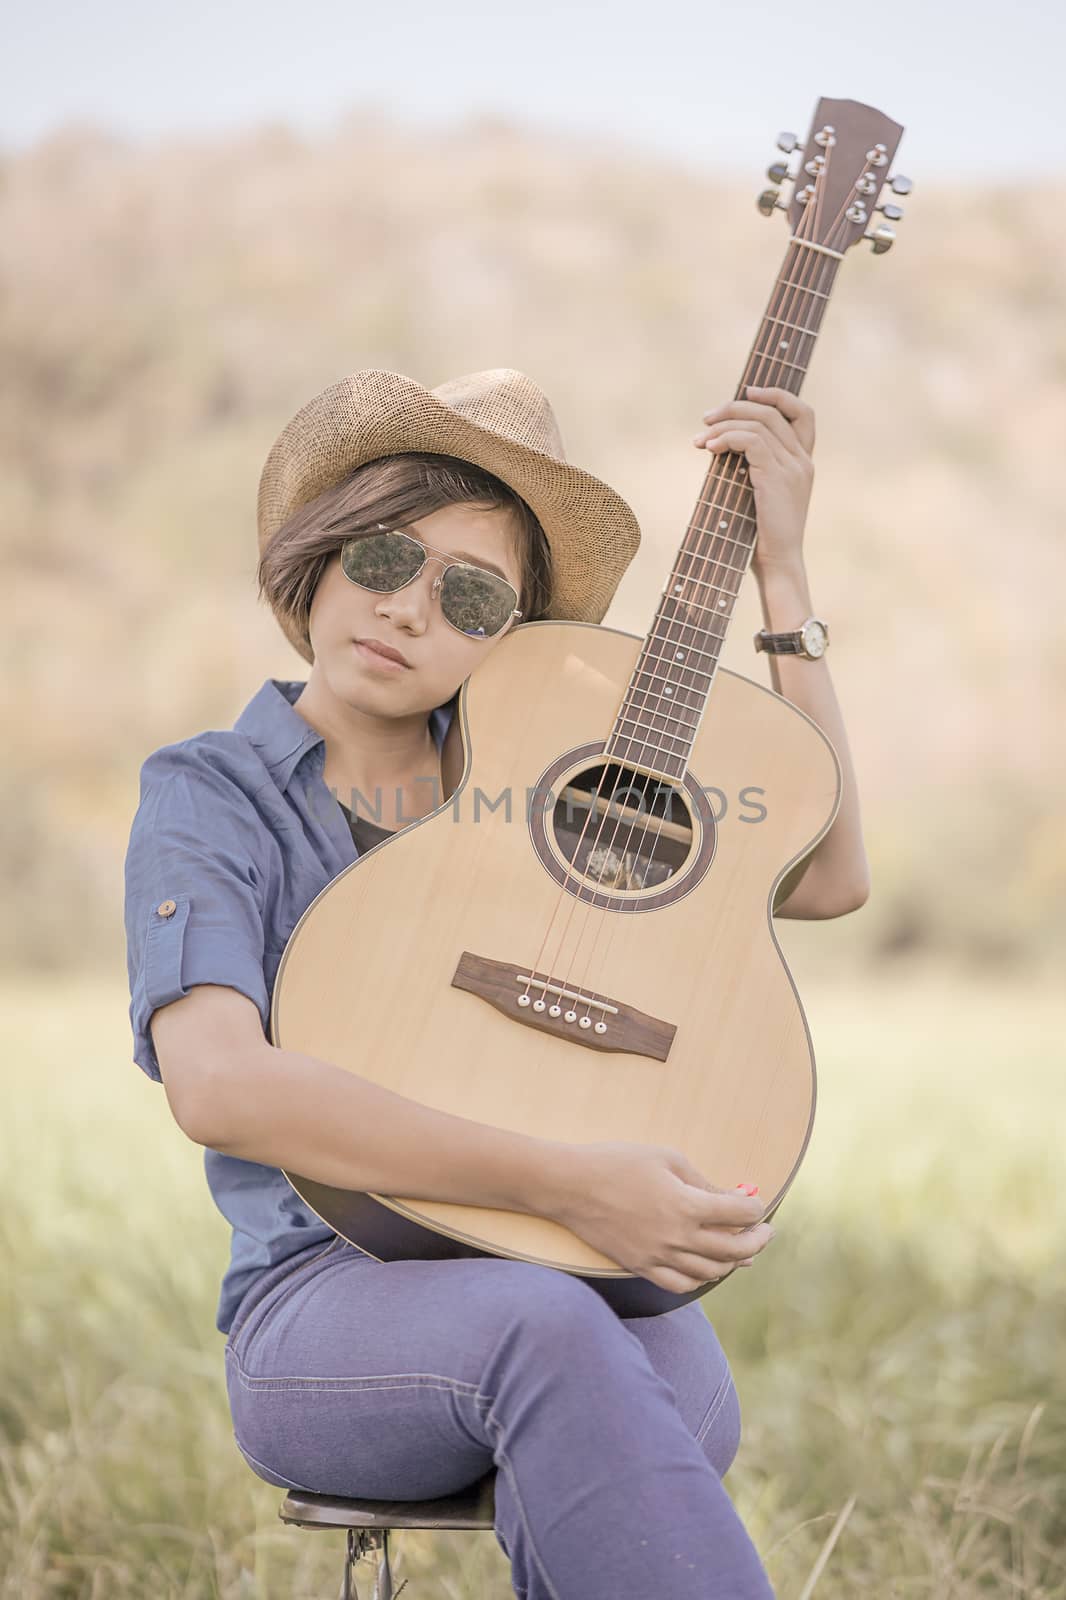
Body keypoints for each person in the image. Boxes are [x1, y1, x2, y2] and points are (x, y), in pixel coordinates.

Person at [124, 366, 871, 1599]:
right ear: (315, 556)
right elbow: (219, 1086)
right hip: (324, 1301)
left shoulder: (544, 779)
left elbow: (827, 873)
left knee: (681, 1382)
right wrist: (573, 1179)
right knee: (554, 1333)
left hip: (565, 1272)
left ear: (506, 638)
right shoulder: (212, 793)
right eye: (380, 559)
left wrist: (781, 576)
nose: (409, 610)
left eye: (468, 595)